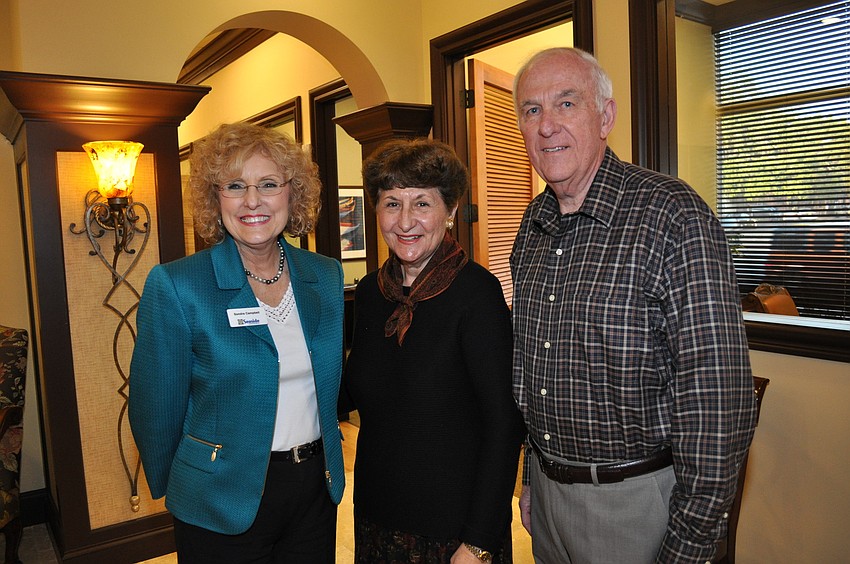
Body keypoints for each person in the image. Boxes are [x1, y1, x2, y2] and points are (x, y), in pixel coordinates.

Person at [510, 47, 758, 563]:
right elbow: (533, 371)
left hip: (636, 507)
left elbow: (716, 399)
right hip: (548, 502)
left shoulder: (673, 215)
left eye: (566, 104)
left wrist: (690, 543)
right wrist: (532, 477)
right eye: (531, 110)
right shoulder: (531, 227)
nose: (547, 125)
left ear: (606, 116)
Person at [129, 122, 345, 563]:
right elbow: (155, 407)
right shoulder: (178, 284)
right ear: (215, 198)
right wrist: (186, 485)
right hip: (218, 497)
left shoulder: (324, 275)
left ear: (292, 193)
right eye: (234, 185)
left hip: (313, 491)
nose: (252, 201)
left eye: (268, 184)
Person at [342, 139, 525, 564]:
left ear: (451, 212)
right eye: (392, 204)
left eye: (422, 204)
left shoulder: (476, 293)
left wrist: (479, 541)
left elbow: (504, 422)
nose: (405, 221)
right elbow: (350, 392)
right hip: (376, 518)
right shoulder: (369, 294)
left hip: (455, 532)